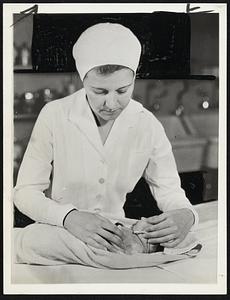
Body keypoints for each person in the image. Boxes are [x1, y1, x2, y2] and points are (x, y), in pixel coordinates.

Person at [13, 23, 198, 258]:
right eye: (99, 91)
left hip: (117, 236)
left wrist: (186, 216)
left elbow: (170, 192)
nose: (111, 104)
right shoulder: (55, 114)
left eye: (122, 90)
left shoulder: (147, 124)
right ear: (83, 81)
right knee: (29, 241)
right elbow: (25, 192)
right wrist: (68, 217)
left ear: (134, 79)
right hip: (60, 230)